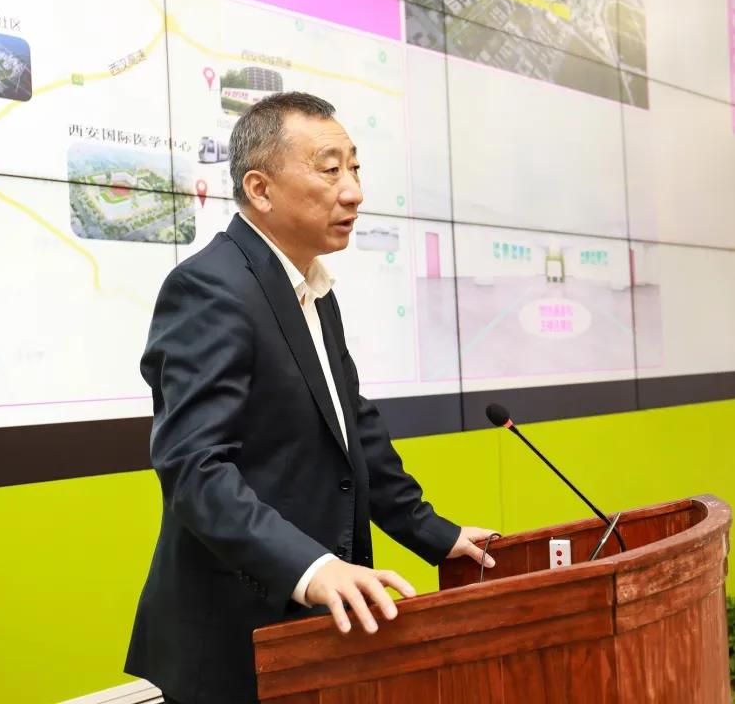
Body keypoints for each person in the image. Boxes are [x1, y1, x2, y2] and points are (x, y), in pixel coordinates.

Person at [125, 92, 496, 704]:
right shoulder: (210, 288)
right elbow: (195, 469)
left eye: (355, 168)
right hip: (236, 637)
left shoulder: (311, 288)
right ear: (260, 189)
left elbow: (353, 430)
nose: (353, 192)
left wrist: (435, 534)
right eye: (330, 170)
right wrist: (313, 568)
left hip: (316, 633)